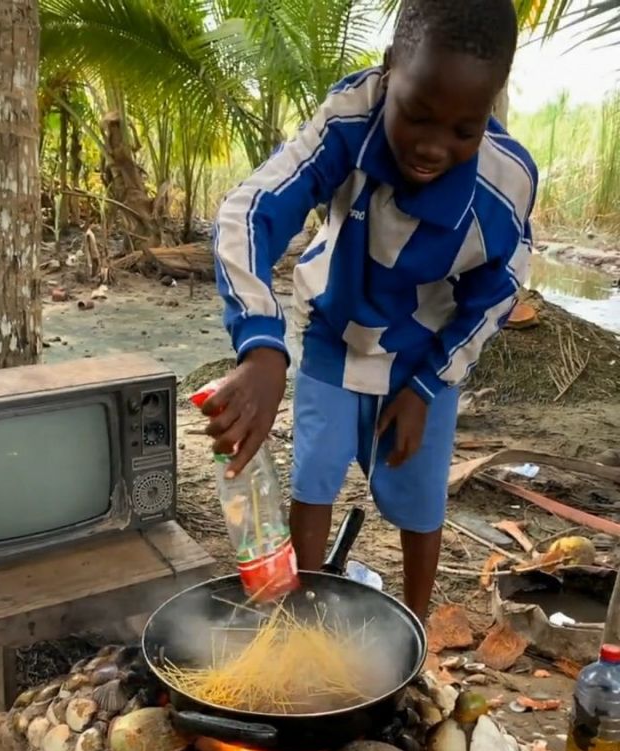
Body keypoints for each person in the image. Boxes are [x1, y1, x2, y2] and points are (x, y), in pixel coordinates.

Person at [208, 0, 537, 620]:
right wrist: (261, 345)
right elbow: (248, 213)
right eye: (416, 115)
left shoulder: (504, 184)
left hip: (423, 355)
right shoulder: (348, 123)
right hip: (334, 336)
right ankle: (301, 621)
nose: (433, 147)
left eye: (464, 130)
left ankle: (415, 634)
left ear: (490, 109)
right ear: (390, 72)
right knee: (315, 478)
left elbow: (495, 296)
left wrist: (425, 384)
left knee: (419, 498)